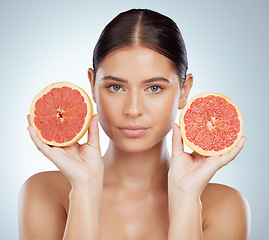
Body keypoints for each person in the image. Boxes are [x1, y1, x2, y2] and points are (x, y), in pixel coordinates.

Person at [19, 8, 250, 240]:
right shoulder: (44, 192)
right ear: (92, 85)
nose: (133, 109)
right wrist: (84, 188)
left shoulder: (224, 206)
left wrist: (186, 197)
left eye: (154, 88)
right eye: (115, 87)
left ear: (184, 91)